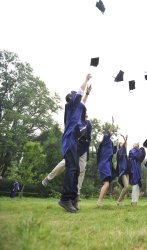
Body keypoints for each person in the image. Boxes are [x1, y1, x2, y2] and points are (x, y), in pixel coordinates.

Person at [58, 74, 92, 213]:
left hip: (75, 140)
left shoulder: (76, 108)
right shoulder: (70, 105)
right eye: (74, 96)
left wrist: (88, 94)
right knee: (72, 168)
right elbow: (79, 92)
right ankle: (65, 198)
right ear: (71, 99)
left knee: (76, 170)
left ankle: (72, 198)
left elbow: (82, 101)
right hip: (70, 140)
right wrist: (86, 79)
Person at [42, 113, 92, 203]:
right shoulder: (77, 120)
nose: (86, 112)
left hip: (84, 149)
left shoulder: (87, 122)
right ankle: (48, 178)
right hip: (76, 146)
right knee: (65, 163)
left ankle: (77, 194)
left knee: (81, 171)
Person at [97, 116, 118, 206]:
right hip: (104, 164)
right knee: (106, 184)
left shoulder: (110, 143)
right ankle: (99, 201)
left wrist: (116, 144)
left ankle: (100, 201)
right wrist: (112, 124)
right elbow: (109, 133)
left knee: (107, 184)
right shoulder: (106, 140)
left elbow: (113, 151)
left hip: (108, 165)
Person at [116, 134, 129, 206]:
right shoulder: (119, 152)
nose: (122, 144)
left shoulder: (124, 152)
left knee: (126, 188)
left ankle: (120, 202)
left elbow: (125, 145)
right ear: (119, 146)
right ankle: (119, 201)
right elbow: (125, 144)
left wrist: (125, 139)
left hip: (126, 171)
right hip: (122, 171)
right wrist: (124, 138)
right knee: (126, 186)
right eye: (120, 144)